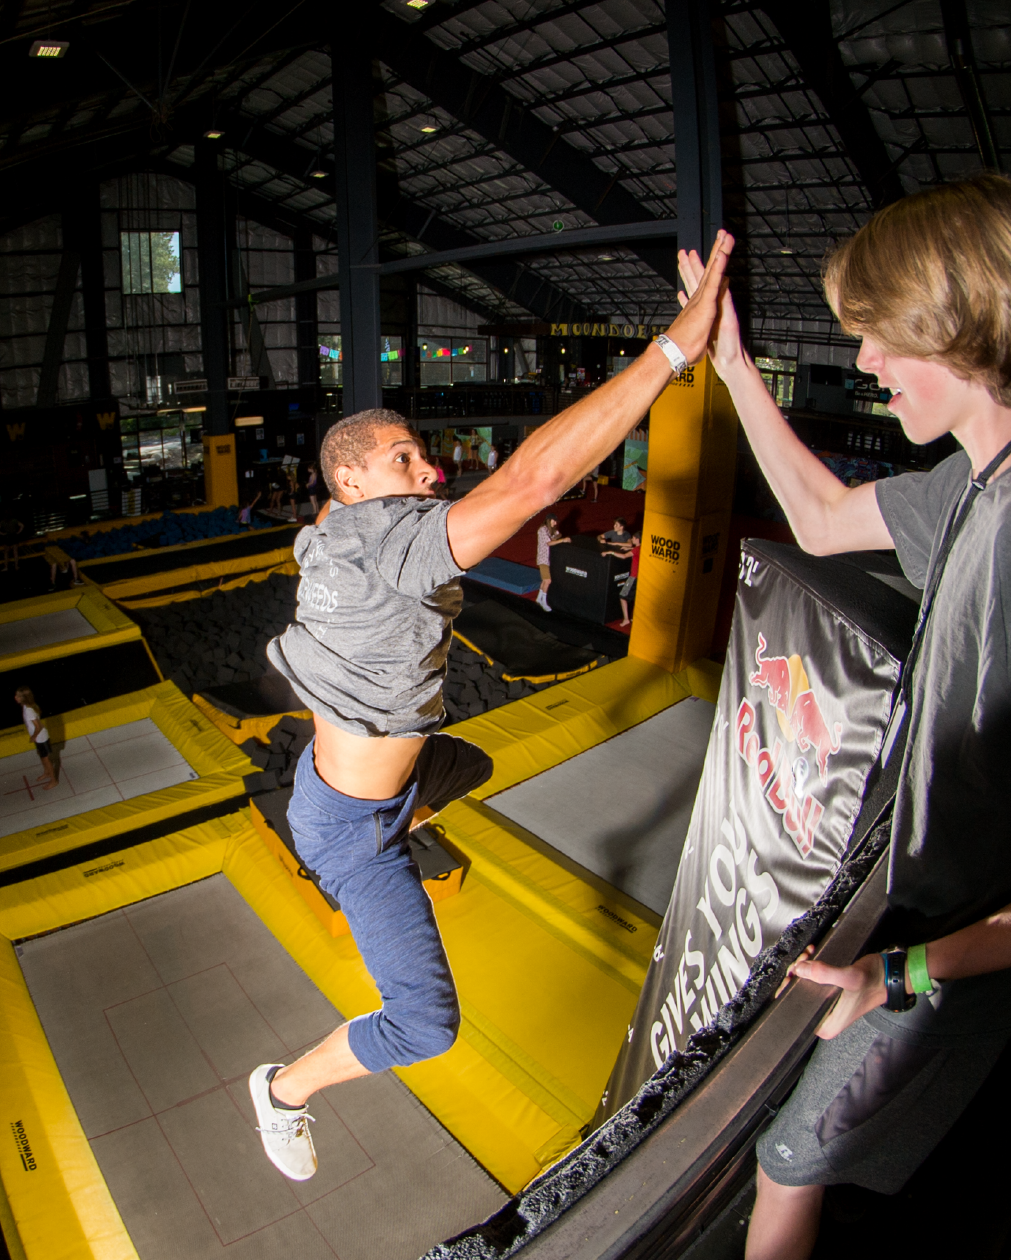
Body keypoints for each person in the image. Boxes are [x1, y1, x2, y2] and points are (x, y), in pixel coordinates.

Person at [247, 229, 733, 1182]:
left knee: (471, 761)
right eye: (404, 459)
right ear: (353, 482)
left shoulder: (329, 531)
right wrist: (673, 350)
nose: (429, 472)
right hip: (350, 832)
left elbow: (339, 513)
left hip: (365, 778)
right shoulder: (390, 539)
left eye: (423, 457)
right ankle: (281, 1090)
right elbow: (536, 479)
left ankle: (409, 804)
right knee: (424, 1026)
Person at [676, 176, 1011, 1260]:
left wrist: (899, 975)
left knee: (790, 1160)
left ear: (957, 323)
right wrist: (733, 366)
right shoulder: (966, 484)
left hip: (963, 952)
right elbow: (821, 520)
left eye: (880, 336)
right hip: (923, 913)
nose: (863, 362)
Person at [16, 687, 56, 789]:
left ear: (23, 698)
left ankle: (53, 780)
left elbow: (38, 726)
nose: (15, 697)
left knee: (46, 759)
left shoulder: (29, 710)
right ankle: (47, 773)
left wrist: (33, 736)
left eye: (18, 696)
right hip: (38, 738)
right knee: (42, 756)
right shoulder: (26, 706)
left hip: (41, 738)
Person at [534, 513, 570, 613]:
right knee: (548, 580)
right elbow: (549, 543)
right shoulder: (542, 530)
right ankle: (543, 601)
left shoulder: (550, 530)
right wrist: (562, 540)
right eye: (554, 521)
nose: (555, 523)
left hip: (548, 559)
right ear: (549, 520)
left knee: (544, 581)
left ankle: (539, 599)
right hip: (543, 559)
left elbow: (557, 535)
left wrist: (558, 536)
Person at [602, 532, 640, 626]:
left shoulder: (636, 550)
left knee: (623, 597)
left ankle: (626, 619)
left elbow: (624, 556)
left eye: (633, 538)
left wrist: (611, 552)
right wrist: (630, 549)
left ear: (637, 539)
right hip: (639, 577)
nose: (632, 539)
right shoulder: (641, 548)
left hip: (633, 577)